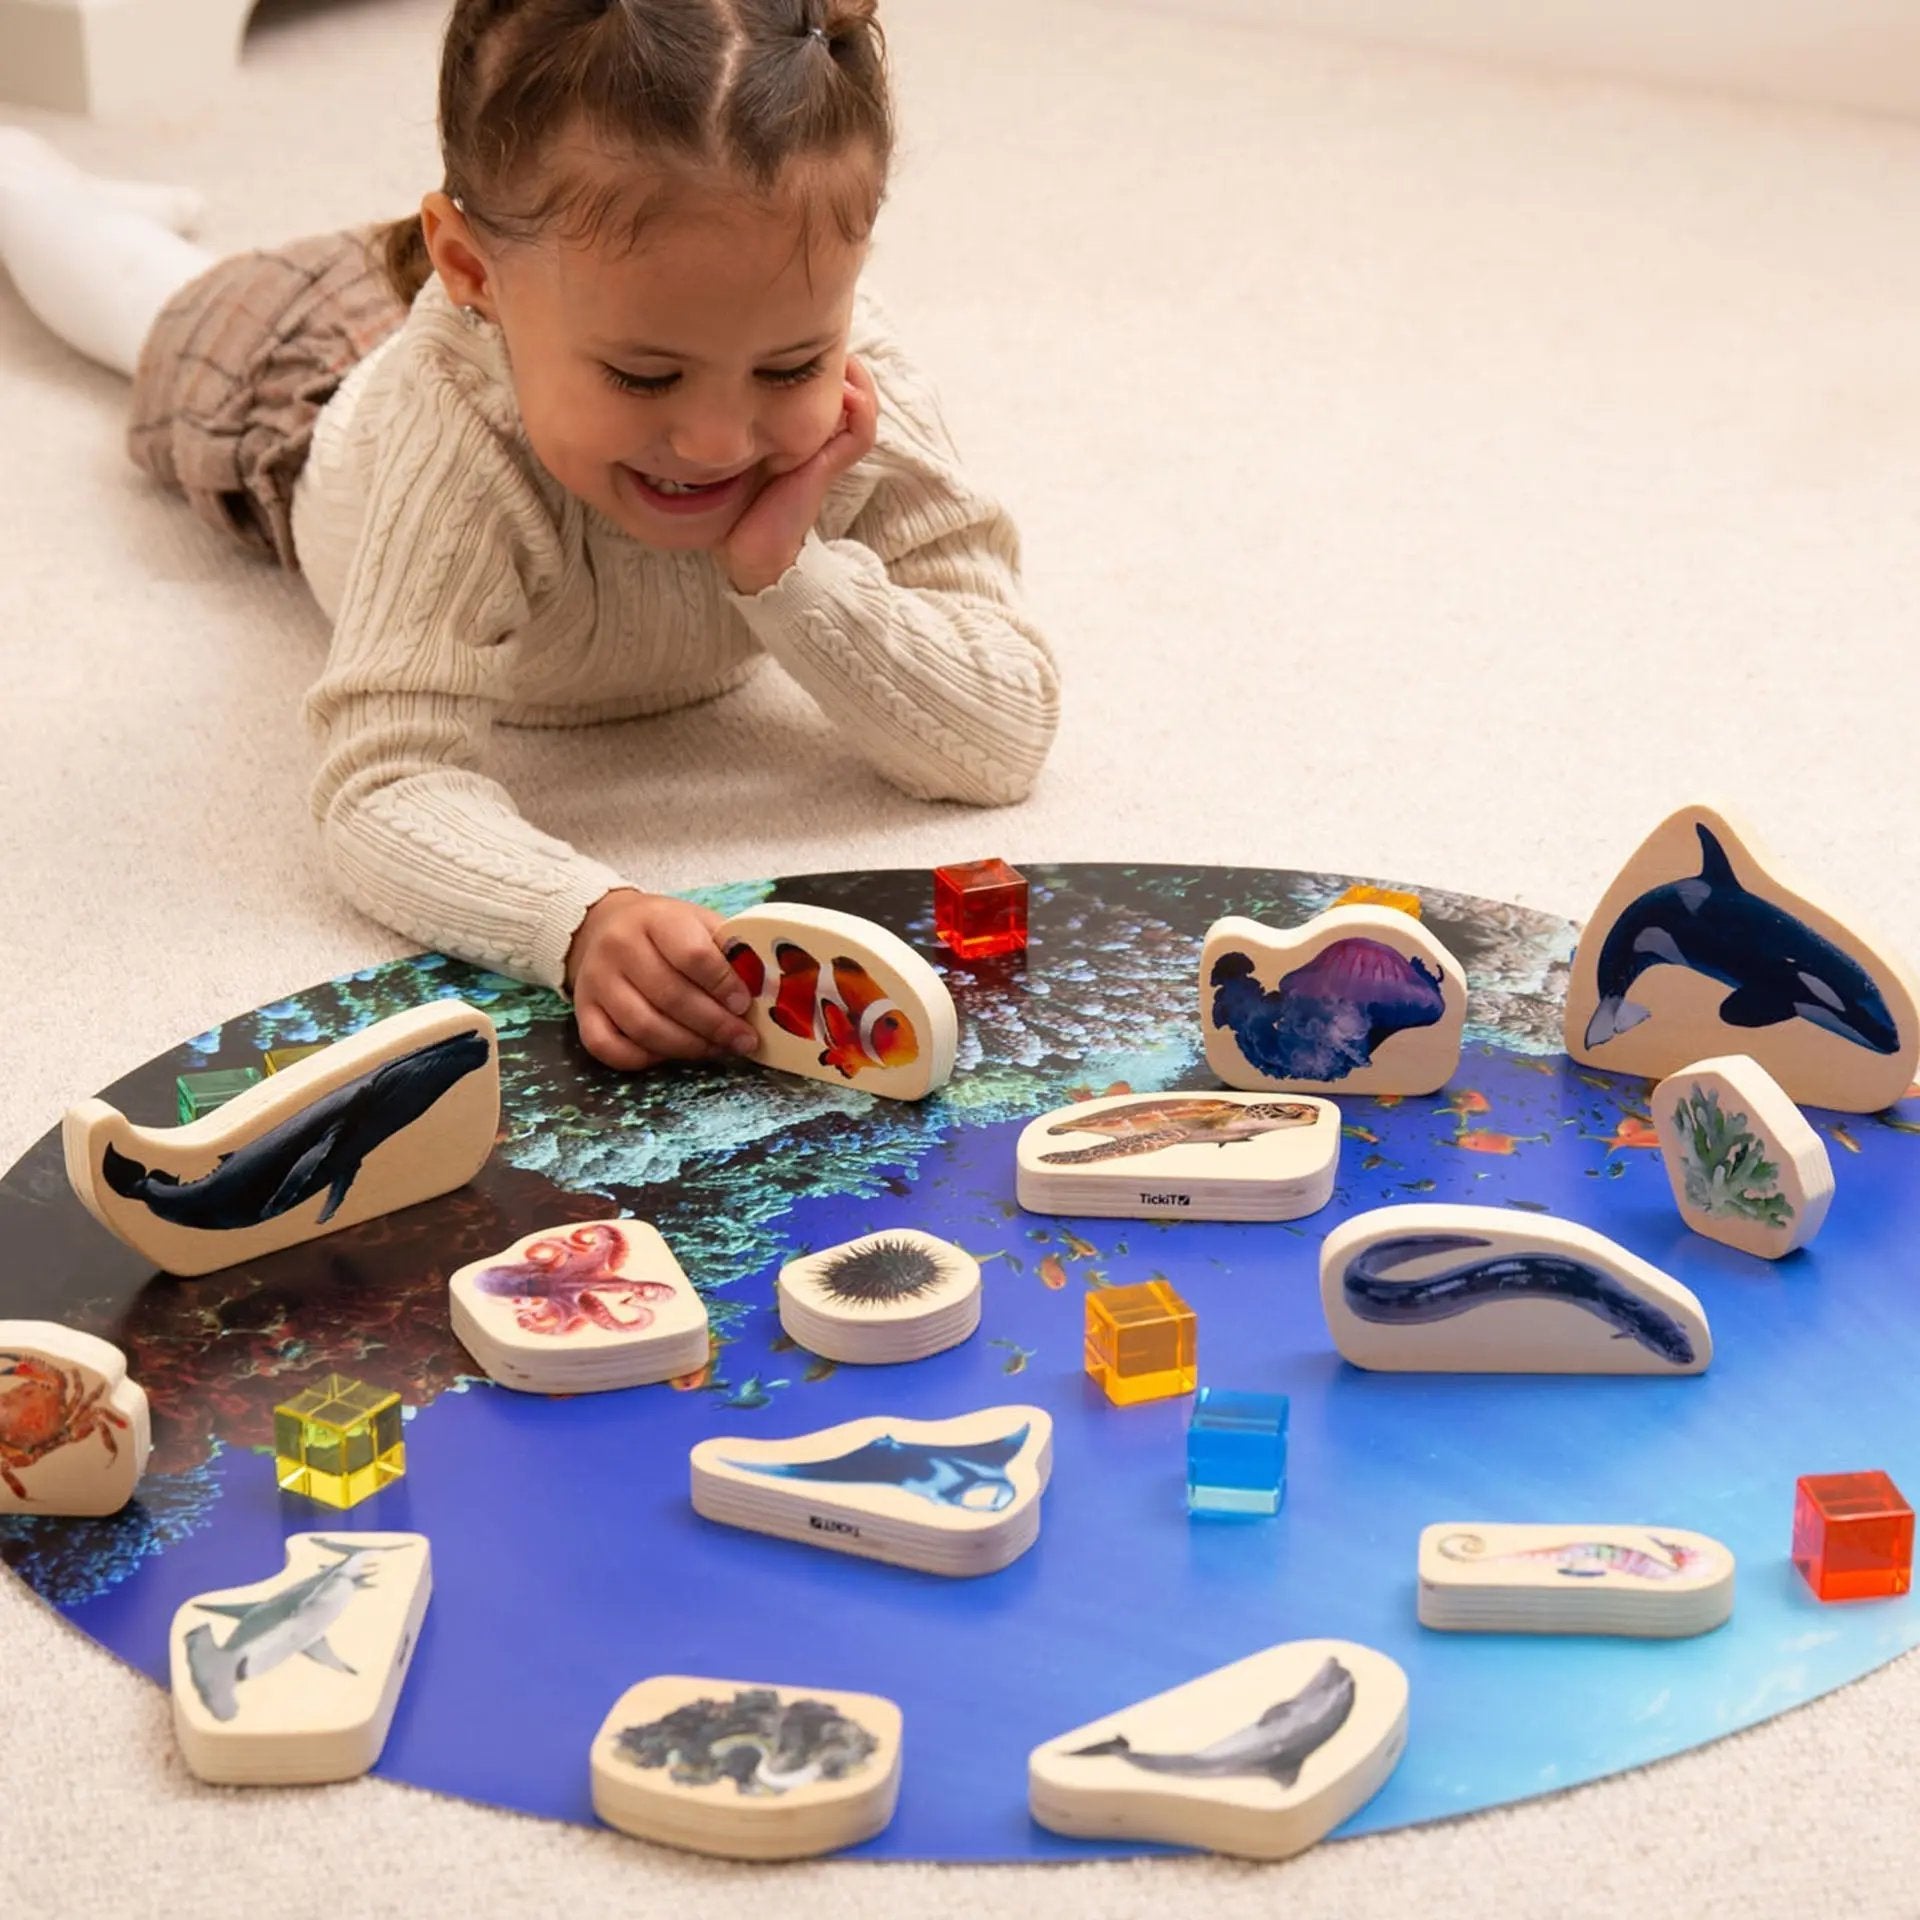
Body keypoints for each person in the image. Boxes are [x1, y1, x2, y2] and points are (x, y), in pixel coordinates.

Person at [0, 0, 1060, 1071]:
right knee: (150, 304)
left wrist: (789, 567)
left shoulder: (859, 388)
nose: (715, 440)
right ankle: (24, 175)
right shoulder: (450, 430)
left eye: (788, 365)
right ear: (469, 274)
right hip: (307, 384)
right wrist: (576, 914)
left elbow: (1003, 732)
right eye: (646, 376)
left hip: (537, 275)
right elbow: (383, 784)